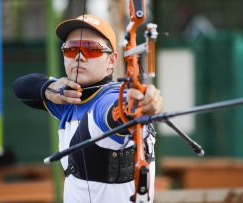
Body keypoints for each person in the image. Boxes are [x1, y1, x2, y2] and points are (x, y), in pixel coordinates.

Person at [13, 14, 163, 203]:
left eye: (91, 49)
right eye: (71, 49)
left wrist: (139, 103)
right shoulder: (67, 100)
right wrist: (47, 89)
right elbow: (20, 87)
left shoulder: (109, 100)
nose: (78, 57)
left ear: (111, 61)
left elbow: (118, 112)